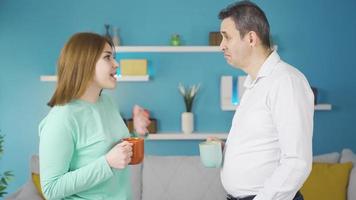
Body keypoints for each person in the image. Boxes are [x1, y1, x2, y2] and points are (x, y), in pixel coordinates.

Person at [210, 1, 314, 200]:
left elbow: (296, 162)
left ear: (251, 38)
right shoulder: (254, 84)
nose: (221, 45)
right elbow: (264, 142)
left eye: (227, 37)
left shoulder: (286, 82)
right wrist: (228, 149)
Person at [39, 32, 150, 200]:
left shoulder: (108, 103)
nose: (116, 64)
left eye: (113, 57)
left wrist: (139, 132)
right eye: (107, 58)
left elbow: (115, 150)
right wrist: (107, 163)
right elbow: (51, 189)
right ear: (85, 63)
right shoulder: (62, 118)